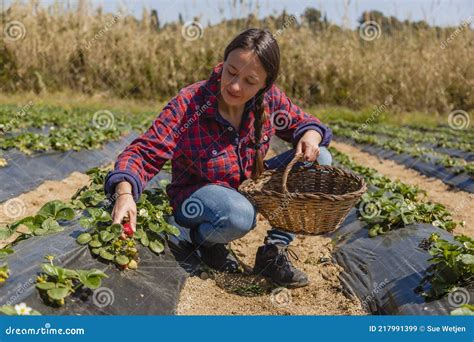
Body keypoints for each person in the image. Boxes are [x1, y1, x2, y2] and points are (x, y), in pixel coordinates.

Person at [104, 28, 332, 288]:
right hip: (199, 197)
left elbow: (308, 124)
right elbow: (143, 153)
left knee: (320, 159)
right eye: (231, 72)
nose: (235, 86)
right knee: (238, 215)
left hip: (246, 188)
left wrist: (311, 136)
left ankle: (274, 252)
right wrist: (124, 194)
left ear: (265, 85)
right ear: (223, 63)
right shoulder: (190, 103)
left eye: (250, 81)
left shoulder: (270, 99)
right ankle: (204, 240)